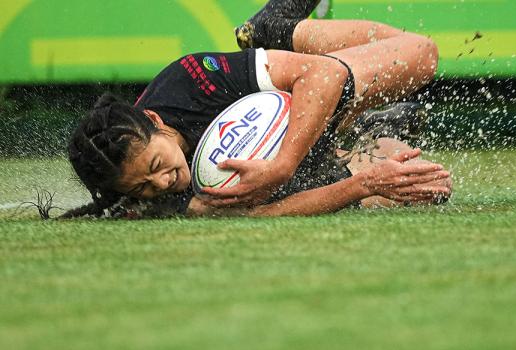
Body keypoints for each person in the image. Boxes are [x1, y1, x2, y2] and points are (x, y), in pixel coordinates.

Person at [63, 0, 451, 219]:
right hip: (294, 145)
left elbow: (324, 74)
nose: (161, 183)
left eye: (155, 165)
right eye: (142, 187)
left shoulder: (189, 82)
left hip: (296, 79)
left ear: (153, 120)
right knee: (427, 186)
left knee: (421, 53)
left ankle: (274, 29)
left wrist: (281, 166)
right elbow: (264, 213)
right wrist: (366, 185)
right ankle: (361, 129)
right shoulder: (158, 199)